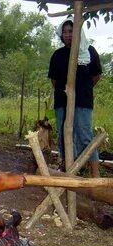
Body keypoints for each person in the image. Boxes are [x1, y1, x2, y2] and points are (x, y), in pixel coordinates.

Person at [48, 18, 102, 177]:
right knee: (64, 136)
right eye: (64, 32)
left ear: (77, 32)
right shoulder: (57, 55)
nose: (67, 35)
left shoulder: (89, 51)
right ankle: (67, 170)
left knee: (85, 135)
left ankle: (95, 175)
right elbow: (54, 80)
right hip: (62, 102)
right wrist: (65, 92)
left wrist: (81, 89)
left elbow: (96, 76)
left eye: (71, 31)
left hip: (82, 101)